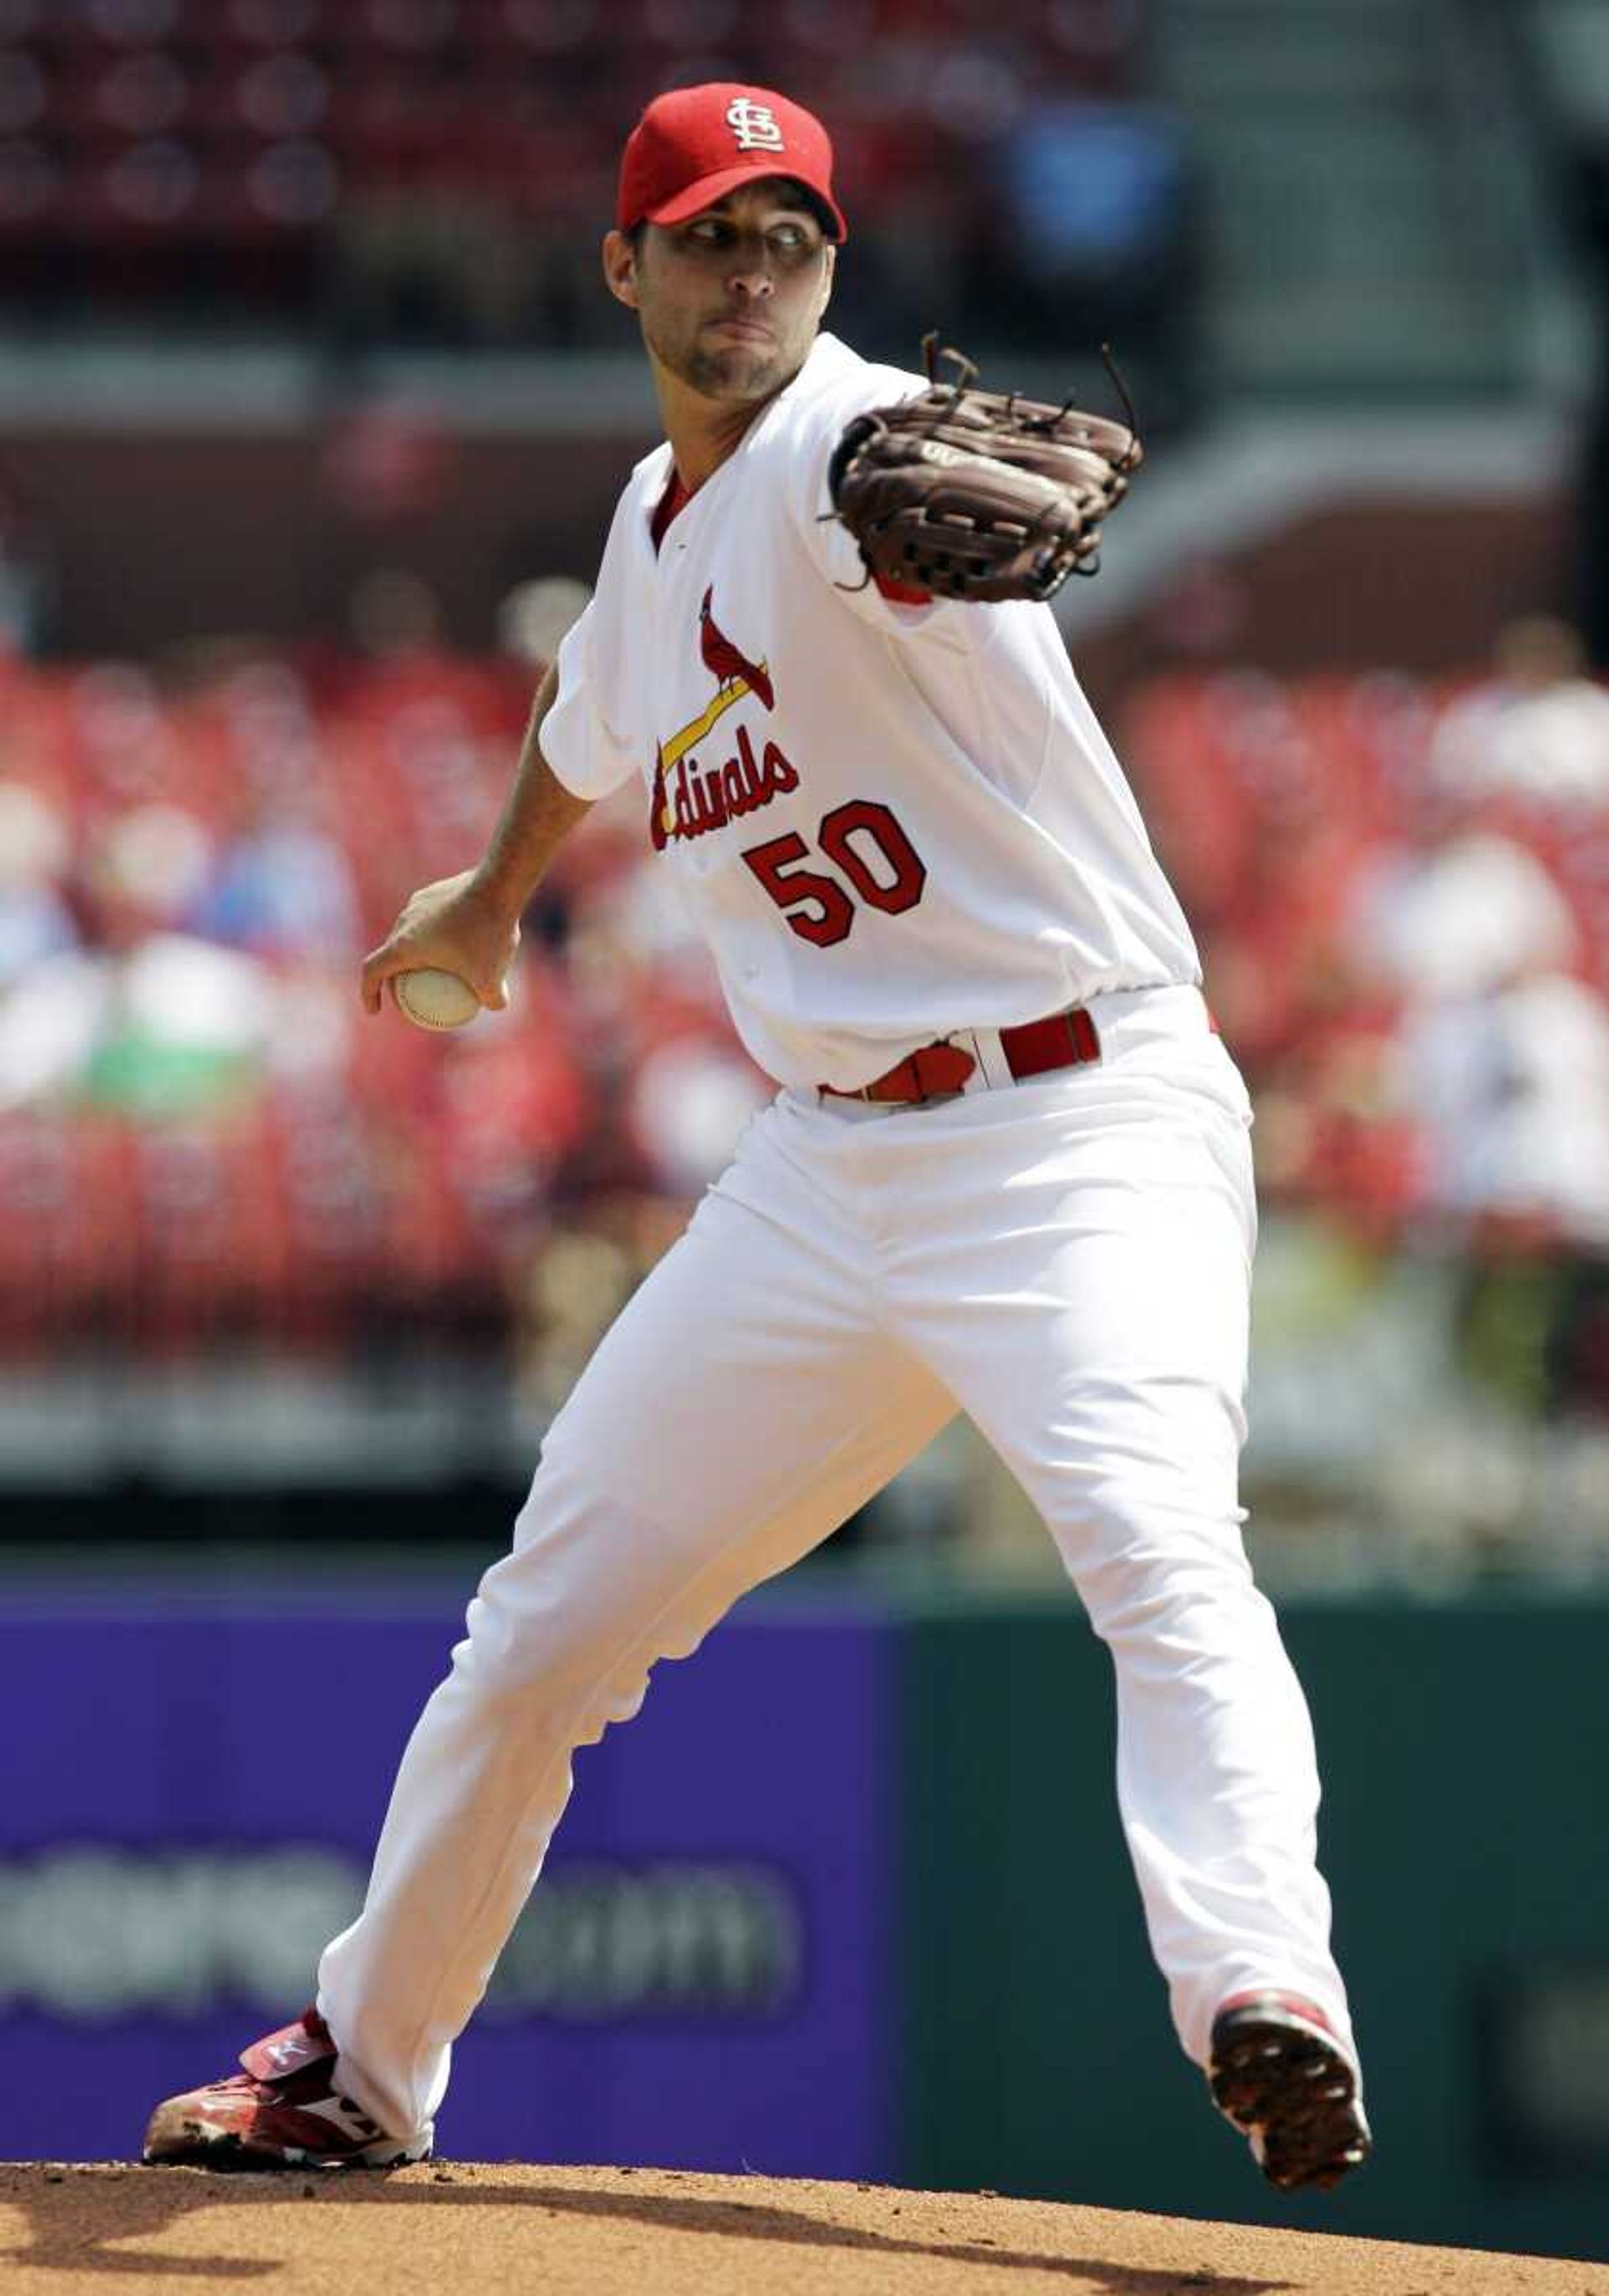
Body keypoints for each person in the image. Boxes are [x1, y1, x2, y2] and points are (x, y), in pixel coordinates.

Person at [143, 81, 1370, 2195]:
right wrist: (493, 888)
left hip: (1081, 1116)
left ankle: (1268, 1991)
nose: (754, 270)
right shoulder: (646, 524)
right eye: (711, 234)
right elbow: (587, 712)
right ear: (625, 264)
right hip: (828, 1175)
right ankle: (364, 2064)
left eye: (790, 234)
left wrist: (888, 519)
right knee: (541, 1624)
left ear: (833, 268)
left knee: (1162, 1549)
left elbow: (872, 496)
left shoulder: (844, 449)